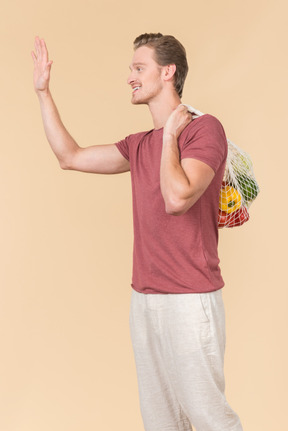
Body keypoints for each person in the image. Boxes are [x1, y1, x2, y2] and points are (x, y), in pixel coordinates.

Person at [32, 32, 243, 431]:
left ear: (168, 71)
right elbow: (69, 157)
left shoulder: (204, 130)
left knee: (210, 417)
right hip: (145, 300)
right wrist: (43, 92)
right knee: (161, 421)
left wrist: (168, 137)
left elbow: (177, 197)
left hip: (190, 298)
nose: (130, 76)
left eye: (138, 67)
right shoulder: (138, 144)